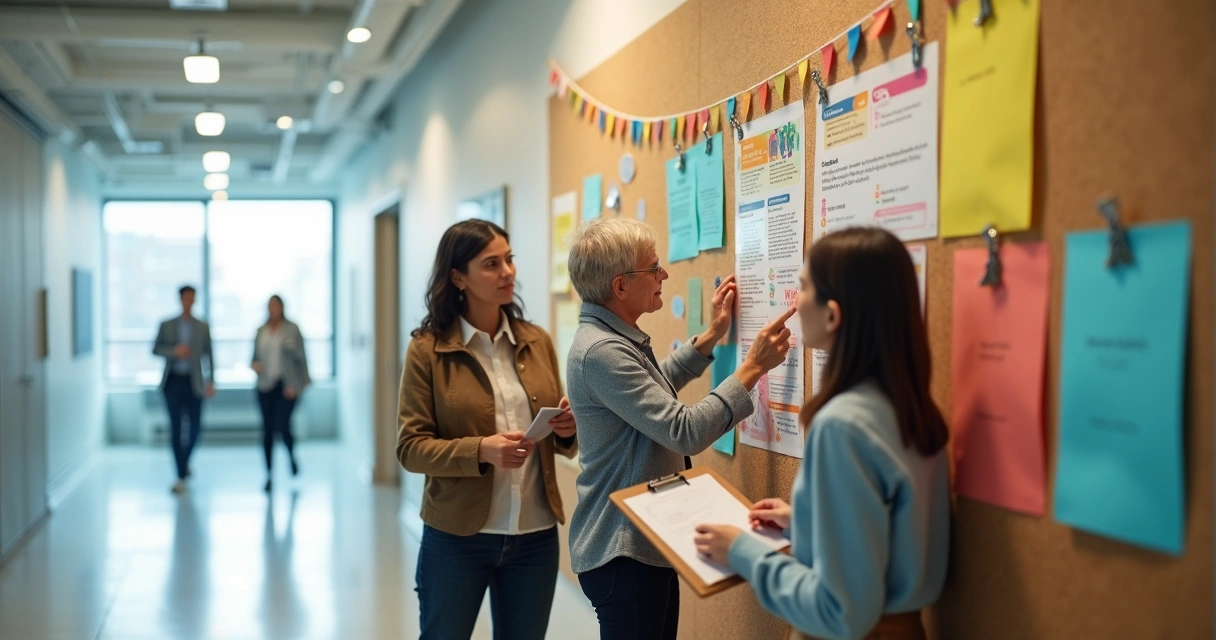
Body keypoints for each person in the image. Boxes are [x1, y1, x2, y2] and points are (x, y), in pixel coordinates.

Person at [694, 228, 951, 640]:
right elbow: (892, 539)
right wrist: (808, 522)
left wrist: (741, 552)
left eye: (803, 287)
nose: (795, 302)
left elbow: (840, 611)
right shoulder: (912, 410)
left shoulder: (841, 426)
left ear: (833, 315)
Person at [564, 217, 796, 640]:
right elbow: (682, 429)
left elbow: (651, 392)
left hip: (639, 544)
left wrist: (710, 336)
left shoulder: (609, 337)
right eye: (653, 269)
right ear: (620, 286)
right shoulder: (601, 351)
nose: (664, 275)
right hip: (623, 550)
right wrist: (754, 366)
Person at [397, 219, 578, 640]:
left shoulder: (537, 340)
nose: (508, 272)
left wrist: (566, 430)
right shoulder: (427, 349)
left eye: (509, 260)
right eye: (491, 264)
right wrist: (480, 450)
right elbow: (410, 447)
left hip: (534, 535)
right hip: (457, 536)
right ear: (458, 277)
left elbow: (562, 441)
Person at [153, 285, 215, 494]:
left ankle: (184, 461)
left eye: (192, 298)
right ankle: (180, 474)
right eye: (185, 298)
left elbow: (209, 355)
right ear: (180, 300)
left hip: (194, 382)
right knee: (177, 429)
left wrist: (211, 381)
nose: (188, 302)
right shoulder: (167, 324)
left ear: (195, 300)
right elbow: (156, 348)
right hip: (173, 382)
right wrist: (174, 351)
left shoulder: (202, 326)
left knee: (196, 429)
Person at [251, 295, 310, 492]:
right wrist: (255, 365)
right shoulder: (261, 330)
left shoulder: (292, 329)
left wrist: (303, 380)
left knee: (282, 426)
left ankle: (291, 456)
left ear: (282, 307)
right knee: (267, 430)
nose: (273, 309)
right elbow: (253, 357)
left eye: (276, 305)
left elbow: (301, 356)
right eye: (270, 306)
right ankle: (268, 474)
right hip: (265, 386)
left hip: (287, 385)